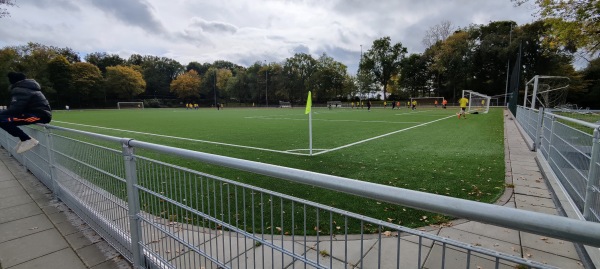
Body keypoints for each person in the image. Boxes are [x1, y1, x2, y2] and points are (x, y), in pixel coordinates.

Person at [0, 72, 52, 153]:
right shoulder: (27, 87)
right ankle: (24, 138)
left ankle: (27, 139)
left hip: (39, 115)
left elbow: (15, 110)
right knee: (2, 118)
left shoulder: (21, 89)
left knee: (2, 119)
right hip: (37, 113)